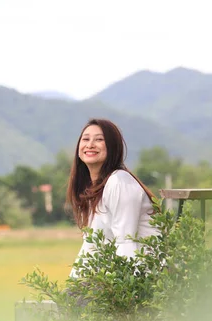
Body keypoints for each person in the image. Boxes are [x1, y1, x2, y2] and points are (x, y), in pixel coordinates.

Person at [66, 118, 159, 279]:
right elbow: (91, 246)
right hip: (117, 276)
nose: (90, 145)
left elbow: (126, 242)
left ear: (113, 147)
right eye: (85, 139)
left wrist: (127, 295)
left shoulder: (119, 182)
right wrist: (71, 290)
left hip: (147, 276)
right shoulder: (93, 191)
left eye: (99, 139)